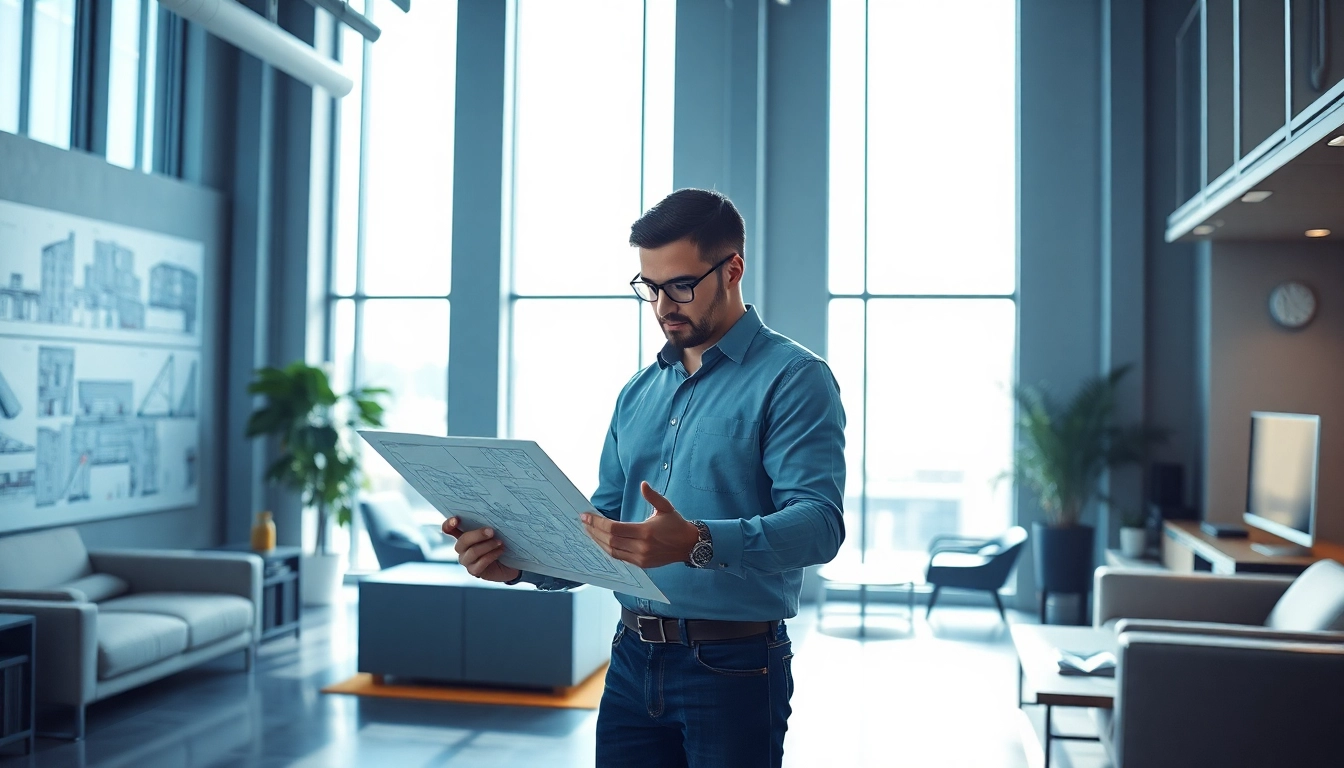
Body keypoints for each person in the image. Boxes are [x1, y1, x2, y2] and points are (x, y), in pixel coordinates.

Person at [441, 188, 846, 768]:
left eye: (680, 284)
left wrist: (699, 540)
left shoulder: (795, 378)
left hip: (732, 668)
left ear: (733, 268)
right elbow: (601, 530)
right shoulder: (636, 391)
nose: (662, 304)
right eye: (649, 287)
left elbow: (819, 525)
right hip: (631, 659)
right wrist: (518, 565)